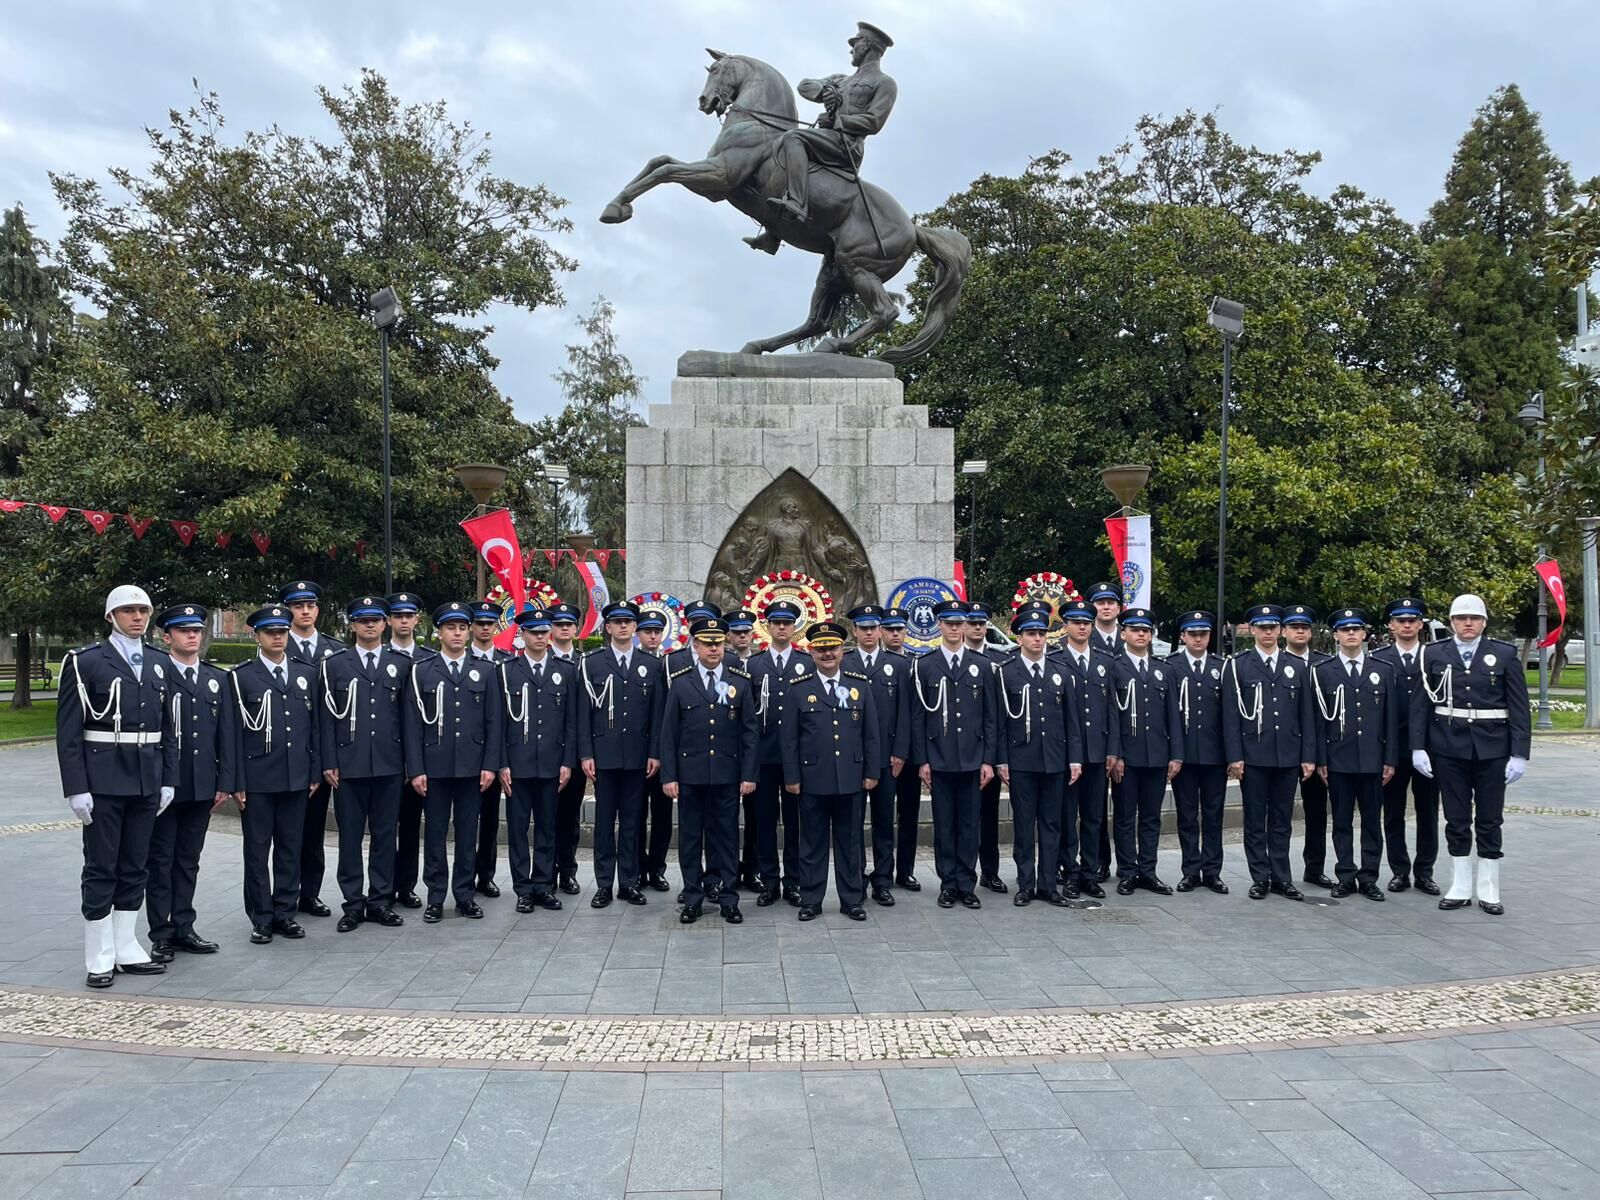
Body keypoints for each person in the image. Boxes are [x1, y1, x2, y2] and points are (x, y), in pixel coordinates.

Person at [57, 584, 173, 987]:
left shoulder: (160, 662)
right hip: (103, 780)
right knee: (101, 868)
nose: (137, 617)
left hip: (146, 778)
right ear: (111, 617)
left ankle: (126, 947)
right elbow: (69, 732)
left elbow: (168, 729)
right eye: (127, 611)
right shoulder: (85, 662)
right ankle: (100, 956)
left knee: (135, 866)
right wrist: (76, 787)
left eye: (143, 610)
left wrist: (168, 779)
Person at [1410, 593, 1530, 916]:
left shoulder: (1503, 655)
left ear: (1483, 622)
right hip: (1448, 748)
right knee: (1456, 819)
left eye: (1474, 618)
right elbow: (1422, 705)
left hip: (1492, 749)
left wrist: (1519, 753)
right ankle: (1460, 885)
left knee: (1490, 819)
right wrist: (1418, 747)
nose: (1467, 623)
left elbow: (1519, 708)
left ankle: (1489, 888)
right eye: (1461, 618)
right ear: (1451, 622)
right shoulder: (1433, 654)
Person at [223, 605, 322, 943]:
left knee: (290, 849)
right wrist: (235, 781)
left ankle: (285, 912)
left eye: (282, 631)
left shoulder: (306, 672)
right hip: (258, 778)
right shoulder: (241, 677)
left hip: (296, 776)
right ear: (257, 635)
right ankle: (261, 917)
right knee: (257, 850)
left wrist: (313, 771)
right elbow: (232, 734)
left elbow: (315, 728)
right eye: (270, 632)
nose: (278, 637)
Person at [753, 21, 897, 251]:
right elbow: (804, 85)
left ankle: (797, 204)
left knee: (794, 139)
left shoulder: (884, 83)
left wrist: (838, 121)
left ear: (868, 45)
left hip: (847, 146)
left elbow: (874, 121)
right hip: (826, 139)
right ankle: (774, 233)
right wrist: (825, 91)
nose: (851, 48)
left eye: (856, 42)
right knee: (783, 159)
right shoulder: (841, 80)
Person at [403, 602, 501, 924]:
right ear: (439, 632)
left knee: (466, 832)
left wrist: (490, 765)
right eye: (450, 628)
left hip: (473, 769)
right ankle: (435, 897)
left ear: (469, 630)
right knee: (434, 834)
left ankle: (464, 895)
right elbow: (413, 724)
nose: (457, 633)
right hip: (435, 768)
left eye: (462, 627)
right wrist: (415, 769)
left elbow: (493, 722)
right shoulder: (422, 670)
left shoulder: (486, 671)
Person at [317, 595, 408, 933]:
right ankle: (353, 903)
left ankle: (380, 900)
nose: (370, 625)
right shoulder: (335, 665)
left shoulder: (400, 664)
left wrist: (409, 764)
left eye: (376, 620)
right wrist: (329, 760)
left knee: (386, 836)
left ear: (384, 624)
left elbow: (408, 718)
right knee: (350, 838)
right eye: (363, 620)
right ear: (353, 625)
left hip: (389, 763)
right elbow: (325, 719)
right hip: (348, 765)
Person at [660, 617, 757, 923]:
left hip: (727, 776)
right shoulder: (681, 683)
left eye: (718, 643)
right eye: (707, 643)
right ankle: (692, 898)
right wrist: (670, 776)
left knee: (726, 838)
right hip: (691, 776)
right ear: (696, 646)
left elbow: (749, 734)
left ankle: (728, 897)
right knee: (690, 839)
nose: (714, 649)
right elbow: (669, 735)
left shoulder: (740, 682)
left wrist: (749, 775)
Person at [781, 619, 880, 920]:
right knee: (812, 843)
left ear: (842, 651)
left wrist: (871, 772)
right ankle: (811, 899)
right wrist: (792, 777)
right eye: (821, 649)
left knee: (850, 843)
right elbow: (789, 739)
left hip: (851, 777)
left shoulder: (858, 686)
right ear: (811, 653)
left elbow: (870, 734)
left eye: (833, 648)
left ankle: (851, 899)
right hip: (812, 779)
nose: (827, 654)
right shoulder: (799, 689)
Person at [147, 604, 229, 962]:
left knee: (188, 860)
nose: (192, 635)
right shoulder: (156, 674)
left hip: (201, 784)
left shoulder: (216, 679)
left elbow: (227, 736)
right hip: (167, 784)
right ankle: (161, 932)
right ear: (167, 637)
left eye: (196, 629)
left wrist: (225, 781)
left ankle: (184, 926)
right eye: (183, 630)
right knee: (161, 859)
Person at [1223, 604, 1316, 901]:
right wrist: (1234, 756)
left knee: (1281, 820)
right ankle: (1259, 877)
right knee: (1254, 820)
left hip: (1287, 755)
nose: (1267, 632)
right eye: (1261, 627)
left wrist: (1308, 755)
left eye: (1272, 627)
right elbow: (1231, 717)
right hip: (1254, 755)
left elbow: (1307, 717)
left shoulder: (1298, 666)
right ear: (1251, 630)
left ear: (1280, 630)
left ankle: (1282, 877)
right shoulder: (1238, 666)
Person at [909, 600, 997, 909]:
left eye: (960, 622)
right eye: (949, 623)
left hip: (972, 758)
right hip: (940, 757)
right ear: (940, 626)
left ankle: (966, 883)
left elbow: (990, 717)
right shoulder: (924, 665)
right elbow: (918, 717)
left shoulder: (983, 665)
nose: (956, 628)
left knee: (969, 825)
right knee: (944, 825)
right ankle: (948, 883)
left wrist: (988, 759)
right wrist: (922, 760)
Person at [577, 601, 665, 907]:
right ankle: (604, 884)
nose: (624, 626)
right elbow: (583, 713)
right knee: (603, 824)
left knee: (632, 822)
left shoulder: (652, 665)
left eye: (629, 621)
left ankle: (629, 882)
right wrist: (586, 753)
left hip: (638, 757)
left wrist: (655, 752)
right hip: (604, 756)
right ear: (609, 628)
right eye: (618, 622)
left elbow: (657, 716)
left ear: (635, 627)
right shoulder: (592, 663)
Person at [995, 604, 1081, 905]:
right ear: (1019, 638)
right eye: (1031, 634)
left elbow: (1072, 721)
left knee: (1052, 824)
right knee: (1023, 824)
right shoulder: (1006, 673)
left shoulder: (1060, 672)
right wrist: (1002, 760)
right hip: (1021, 761)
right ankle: (1026, 884)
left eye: (1042, 633)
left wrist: (1074, 759)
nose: (1037, 639)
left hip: (1055, 760)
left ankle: (1048, 885)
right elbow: (1000, 722)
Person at [1312, 608, 1399, 901]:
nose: (1351, 634)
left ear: (1364, 634)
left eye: (1356, 629)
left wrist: (1390, 759)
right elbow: (1319, 721)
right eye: (1344, 629)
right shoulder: (1323, 672)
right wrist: (1322, 759)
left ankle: (1369, 876)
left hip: (1373, 759)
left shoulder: (1383, 670)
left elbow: (1390, 720)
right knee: (1341, 822)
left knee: (1373, 821)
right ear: (1336, 635)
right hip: (1338, 759)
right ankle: (1345, 875)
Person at [496, 606, 577, 913]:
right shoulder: (506, 671)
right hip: (517, 765)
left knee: (547, 827)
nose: (541, 637)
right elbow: (498, 722)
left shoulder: (565, 671)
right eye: (535, 632)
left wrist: (567, 762)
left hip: (551, 764)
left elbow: (571, 722)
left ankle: (543, 885)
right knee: (518, 829)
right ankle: (523, 888)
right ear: (523, 635)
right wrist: (501, 763)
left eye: (545, 632)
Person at [1107, 608, 1182, 896]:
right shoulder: (1115, 668)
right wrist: (1115, 754)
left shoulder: (1164, 670)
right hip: (1127, 756)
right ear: (1123, 633)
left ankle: (1148, 871)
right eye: (1135, 629)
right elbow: (1112, 715)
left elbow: (1173, 715)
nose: (1141, 634)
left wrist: (1176, 754)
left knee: (1152, 817)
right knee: (1125, 816)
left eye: (1146, 630)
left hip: (1157, 755)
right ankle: (1127, 871)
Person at [281, 580, 343, 922]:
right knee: (287, 833)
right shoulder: (275, 644)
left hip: (321, 755)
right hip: (286, 754)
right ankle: (285, 895)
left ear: (318, 609)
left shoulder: (334, 650)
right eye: (297, 606)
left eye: (310, 605)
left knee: (314, 830)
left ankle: (311, 893)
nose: (304, 611)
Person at [1370, 597, 1441, 894]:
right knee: (1393, 812)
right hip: (1394, 749)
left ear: (1421, 624)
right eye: (1401, 620)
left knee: (1428, 812)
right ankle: (1400, 870)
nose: (1407, 625)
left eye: (1412, 620)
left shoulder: (1435, 657)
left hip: (1429, 748)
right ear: (1392, 625)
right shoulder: (1381, 659)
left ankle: (1425, 871)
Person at [745, 599, 814, 905]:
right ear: (768, 626)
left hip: (797, 758)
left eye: (787, 622)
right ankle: (770, 880)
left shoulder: (807, 662)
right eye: (777, 623)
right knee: (764, 820)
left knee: (796, 821)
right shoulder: (754, 664)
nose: (782, 627)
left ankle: (795, 880)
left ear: (795, 626)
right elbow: (747, 716)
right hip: (763, 754)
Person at [1050, 600, 1119, 899]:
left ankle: (1090, 873)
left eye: (1086, 622)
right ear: (1065, 625)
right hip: (1067, 755)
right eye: (1076, 622)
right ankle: (1069, 871)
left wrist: (1113, 750)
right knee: (1067, 817)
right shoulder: (1056, 659)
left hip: (1097, 752)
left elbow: (1113, 710)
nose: (1082, 627)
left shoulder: (1105, 661)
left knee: (1094, 817)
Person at [843, 603, 909, 906]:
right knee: (852, 823)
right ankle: (855, 877)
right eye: (863, 628)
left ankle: (883, 880)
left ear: (880, 630)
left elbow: (904, 714)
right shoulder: (844, 663)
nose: (869, 633)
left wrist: (900, 753)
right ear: (855, 631)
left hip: (886, 759)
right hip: (851, 760)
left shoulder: (896, 665)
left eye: (873, 627)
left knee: (884, 822)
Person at [1168, 611, 1229, 893]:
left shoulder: (1222, 667)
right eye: (1192, 634)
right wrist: (1174, 754)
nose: (1198, 638)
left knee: (1214, 815)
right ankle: (1191, 870)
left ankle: (1212, 871)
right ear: (1183, 636)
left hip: (1215, 755)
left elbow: (1229, 715)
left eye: (1203, 634)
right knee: (1187, 815)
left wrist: (1231, 755)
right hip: (1186, 756)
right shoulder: (1171, 667)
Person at [384, 591, 432, 909]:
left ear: (416, 619)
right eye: (397, 615)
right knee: (385, 827)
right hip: (386, 759)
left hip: (420, 760)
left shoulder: (428, 659)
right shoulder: (380, 656)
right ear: (389, 620)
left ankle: (406, 885)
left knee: (412, 827)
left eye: (408, 615)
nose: (403, 620)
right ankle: (384, 886)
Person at [1282, 605, 1336, 890]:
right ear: (1284, 631)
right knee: (1281, 814)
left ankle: (1314, 868)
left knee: (1317, 813)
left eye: (1304, 627)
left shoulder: (1324, 664)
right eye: (1294, 627)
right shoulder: (1277, 662)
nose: (1300, 631)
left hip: (1318, 751)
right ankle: (1278, 871)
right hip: (1286, 750)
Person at [963, 600, 1010, 894]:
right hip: (961, 752)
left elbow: (1001, 715)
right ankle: (960, 872)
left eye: (982, 623)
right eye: (972, 623)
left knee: (989, 816)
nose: (978, 627)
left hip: (988, 752)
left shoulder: (999, 661)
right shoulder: (954, 657)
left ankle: (990, 871)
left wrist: (996, 757)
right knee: (961, 818)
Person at [467, 599, 513, 900]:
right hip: (462, 754)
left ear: (497, 626)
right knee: (464, 822)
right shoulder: (455, 657)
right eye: (480, 623)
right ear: (472, 626)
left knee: (489, 820)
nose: (485, 627)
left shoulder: (506, 662)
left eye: (490, 623)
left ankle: (486, 876)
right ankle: (463, 876)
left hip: (493, 754)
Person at [880, 607, 925, 892]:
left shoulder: (915, 665)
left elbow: (917, 714)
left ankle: (905, 870)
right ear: (882, 632)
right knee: (883, 817)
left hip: (908, 755)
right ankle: (882, 871)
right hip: (881, 754)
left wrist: (913, 755)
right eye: (890, 629)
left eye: (900, 629)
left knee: (908, 816)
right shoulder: (871, 664)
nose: (895, 634)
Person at [634, 607, 677, 893]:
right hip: (637, 754)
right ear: (639, 634)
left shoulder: (669, 665)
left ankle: (657, 869)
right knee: (636, 815)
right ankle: (637, 869)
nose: (652, 636)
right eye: (648, 631)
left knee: (662, 817)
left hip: (664, 754)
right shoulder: (634, 663)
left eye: (657, 631)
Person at [547, 601, 587, 896]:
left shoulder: (585, 663)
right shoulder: (540, 659)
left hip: (573, 755)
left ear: (575, 629)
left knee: (570, 816)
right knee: (547, 816)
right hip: (545, 753)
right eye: (558, 624)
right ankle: (546, 871)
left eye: (568, 625)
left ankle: (568, 871)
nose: (563, 629)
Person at [1085, 581, 1123, 878]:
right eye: (1100, 603)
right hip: (1090, 742)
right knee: (1092, 809)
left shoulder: (1133, 637)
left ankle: (1126, 865)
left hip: (1122, 741)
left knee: (1122, 810)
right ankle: (1097, 862)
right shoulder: (1084, 638)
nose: (1106, 607)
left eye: (1111, 602)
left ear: (1119, 607)